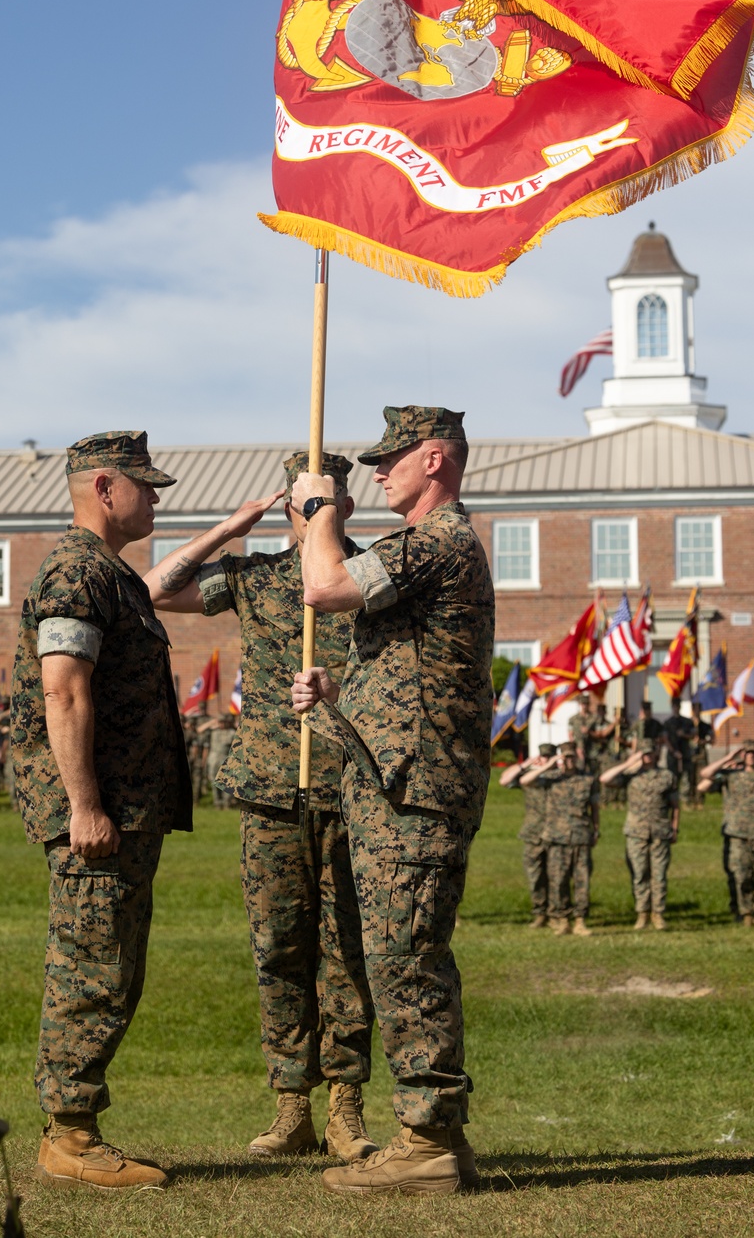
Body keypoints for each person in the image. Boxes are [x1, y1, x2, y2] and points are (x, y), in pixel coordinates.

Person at [147, 451, 377, 1165]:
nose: (316, 515)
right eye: (306, 503)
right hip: (271, 790)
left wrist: (339, 686)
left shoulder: (372, 576)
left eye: (328, 502)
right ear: (288, 509)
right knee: (279, 948)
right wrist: (228, 527)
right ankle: (290, 1106)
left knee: (347, 950)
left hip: (348, 786)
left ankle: (345, 1106)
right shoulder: (257, 577)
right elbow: (155, 589)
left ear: (346, 508)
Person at [290, 406, 493, 1197]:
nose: (377, 471)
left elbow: (324, 584)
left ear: (434, 459)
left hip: (416, 792)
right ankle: (434, 1133)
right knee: (400, 952)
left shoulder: (438, 538)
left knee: (406, 957)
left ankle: (427, 1139)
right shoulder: (428, 546)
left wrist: (320, 511)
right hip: (396, 782)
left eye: (393, 458)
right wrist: (345, 691)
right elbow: (415, 667)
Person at [10, 430, 192, 1192]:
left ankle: (74, 1127)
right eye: (146, 486)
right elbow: (65, 686)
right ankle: (71, 1137)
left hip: (125, 809)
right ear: (106, 488)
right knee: (92, 969)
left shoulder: (111, 574)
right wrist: (84, 804)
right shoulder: (78, 570)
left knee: (111, 967)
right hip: (99, 814)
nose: (155, 498)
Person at [699, 738, 754, 927]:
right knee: (741, 875)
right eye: (747, 753)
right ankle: (745, 912)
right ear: (742, 755)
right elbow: (705, 775)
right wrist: (728, 758)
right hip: (737, 833)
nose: (750, 756)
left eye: (753, 753)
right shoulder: (730, 775)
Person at [600, 737, 679, 929]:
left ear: (655, 754)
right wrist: (627, 763)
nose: (647, 757)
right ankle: (642, 913)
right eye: (643, 754)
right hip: (636, 831)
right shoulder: (630, 775)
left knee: (659, 875)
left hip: (660, 830)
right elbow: (604, 779)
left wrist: (675, 827)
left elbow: (675, 805)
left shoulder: (667, 776)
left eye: (650, 753)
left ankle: (658, 913)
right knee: (639, 873)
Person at [522, 742, 599, 936]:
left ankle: (580, 921)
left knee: (582, 881)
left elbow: (595, 808)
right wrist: (549, 765)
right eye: (566, 757)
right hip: (556, 838)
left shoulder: (588, 780)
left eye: (572, 757)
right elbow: (525, 781)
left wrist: (596, 830)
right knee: (558, 881)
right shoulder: (551, 778)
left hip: (580, 836)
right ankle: (563, 919)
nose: (569, 761)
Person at [499, 743, 556, 927]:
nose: (546, 760)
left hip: (556, 833)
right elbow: (504, 780)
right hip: (533, 833)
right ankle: (540, 913)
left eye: (549, 757)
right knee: (535, 875)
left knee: (556, 876)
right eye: (543, 757)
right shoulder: (530, 776)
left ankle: (556, 914)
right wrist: (526, 764)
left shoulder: (560, 777)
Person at [199, 712, 237, 811]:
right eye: (220, 722)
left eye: (224, 722)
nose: (222, 724)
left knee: (226, 782)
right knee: (214, 782)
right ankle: (217, 803)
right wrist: (211, 722)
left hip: (226, 760)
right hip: (213, 760)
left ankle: (226, 803)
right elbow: (199, 730)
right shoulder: (213, 732)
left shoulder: (232, 732)